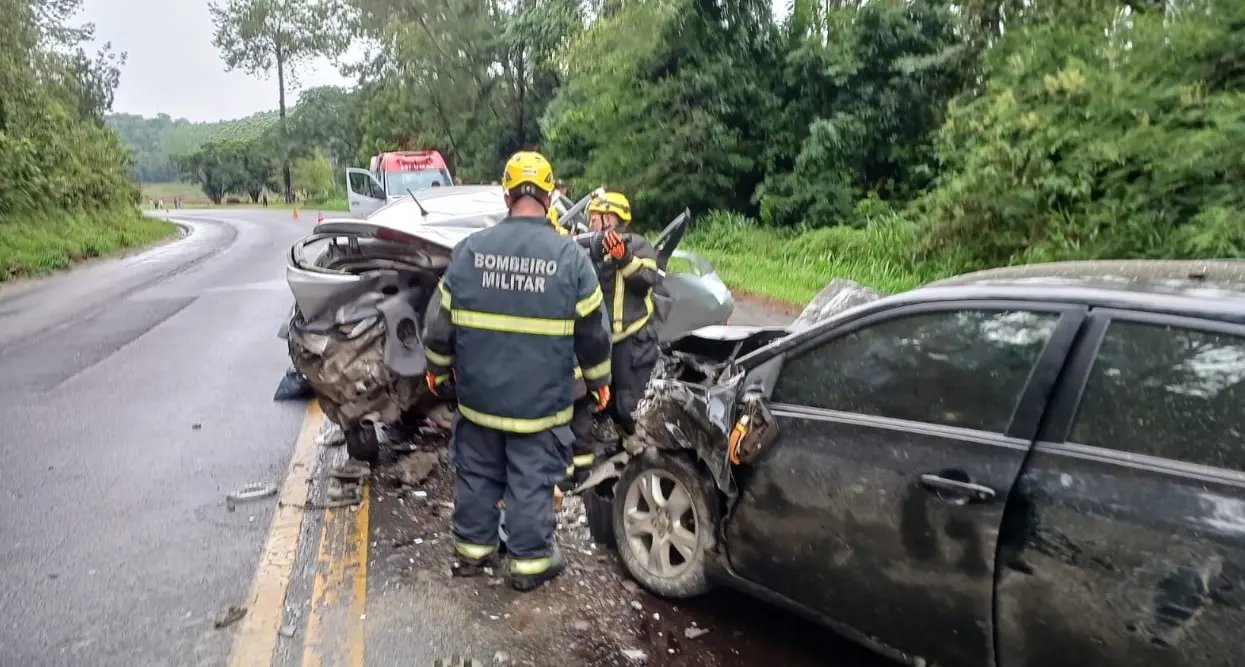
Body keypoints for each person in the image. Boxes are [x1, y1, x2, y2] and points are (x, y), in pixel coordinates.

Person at [422, 151, 613, 591]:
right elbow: (594, 335)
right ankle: (529, 565)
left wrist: (438, 372)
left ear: (507, 195)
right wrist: (599, 382)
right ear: (549, 197)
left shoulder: (469, 251)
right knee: (531, 480)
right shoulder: (571, 259)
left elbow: (438, 325)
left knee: (477, 474)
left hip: (478, 400)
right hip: (539, 407)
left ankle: (472, 553)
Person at [586, 191, 661, 437]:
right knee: (601, 404)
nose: (590, 223)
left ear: (609, 218)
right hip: (601, 341)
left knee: (631, 405)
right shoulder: (589, 246)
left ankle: (641, 447)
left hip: (632, 340)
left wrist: (624, 258)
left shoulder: (638, 245)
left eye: (595, 217)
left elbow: (648, 279)